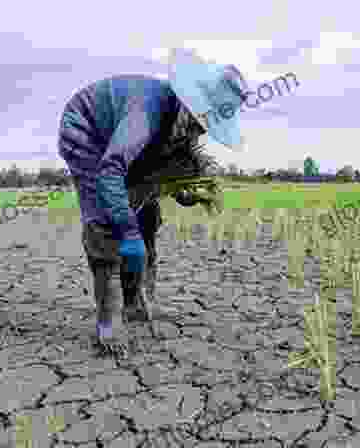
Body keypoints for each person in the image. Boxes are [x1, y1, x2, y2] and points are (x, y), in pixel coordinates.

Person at [57, 49, 246, 358]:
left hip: (117, 141)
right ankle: (108, 320)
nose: (198, 132)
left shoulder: (178, 126)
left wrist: (188, 194)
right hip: (86, 132)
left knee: (146, 216)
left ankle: (134, 301)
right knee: (106, 223)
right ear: (188, 102)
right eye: (197, 121)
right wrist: (127, 234)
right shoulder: (145, 115)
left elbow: (162, 179)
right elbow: (110, 169)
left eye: (204, 127)